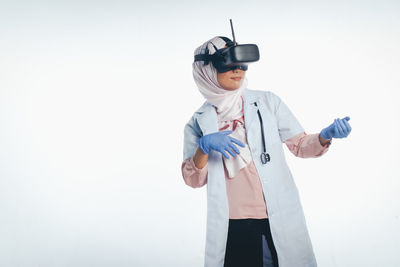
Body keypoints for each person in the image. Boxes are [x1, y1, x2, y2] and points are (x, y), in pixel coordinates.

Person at [181, 36, 352, 267]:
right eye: (228, 64)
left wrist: (325, 135)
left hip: (276, 217)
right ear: (207, 70)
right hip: (233, 224)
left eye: (242, 64)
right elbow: (192, 179)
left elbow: (300, 146)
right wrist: (203, 148)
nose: (238, 70)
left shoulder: (268, 102)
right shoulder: (199, 122)